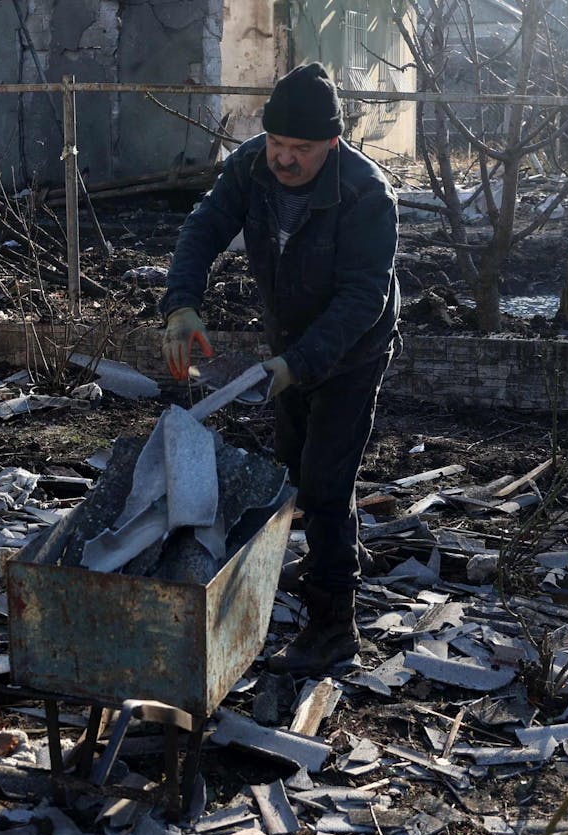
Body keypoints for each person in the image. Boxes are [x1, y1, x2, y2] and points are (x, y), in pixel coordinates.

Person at [160, 62, 399, 677]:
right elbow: (205, 225)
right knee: (293, 471)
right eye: (276, 144)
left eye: (301, 149)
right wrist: (183, 304)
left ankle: (332, 626)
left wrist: (299, 364)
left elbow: (361, 300)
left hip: (350, 354)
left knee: (325, 483)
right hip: (286, 343)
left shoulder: (368, 194)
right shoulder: (250, 168)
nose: (284, 160)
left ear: (334, 144)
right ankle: (325, 555)